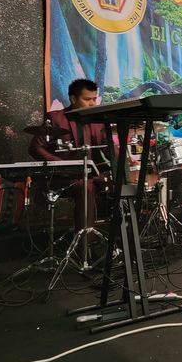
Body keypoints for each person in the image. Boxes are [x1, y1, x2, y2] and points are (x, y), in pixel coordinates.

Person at [28, 78, 107, 241]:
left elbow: (107, 148)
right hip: (62, 177)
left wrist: (125, 163)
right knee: (86, 187)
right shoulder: (56, 118)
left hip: (90, 175)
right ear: (72, 99)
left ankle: (121, 241)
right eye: (87, 99)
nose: (92, 103)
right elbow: (35, 147)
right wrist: (62, 164)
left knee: (121, 182)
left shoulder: (98, 121)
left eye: (94, 99)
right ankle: (85, 244)